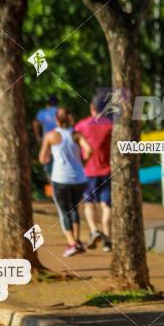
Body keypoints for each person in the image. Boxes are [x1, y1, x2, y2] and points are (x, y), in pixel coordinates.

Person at [39, 107, 92, 257]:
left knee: (64, 211)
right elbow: (89, 149)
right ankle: (77, 240)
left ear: (56, 120)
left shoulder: (51, 136)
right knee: (74, 208)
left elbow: (43, 158)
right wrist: (83, 162)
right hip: (79, 178)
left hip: (60, 178)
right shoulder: (76, 135)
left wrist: (49, 157)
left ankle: (72, 243)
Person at [75, 94, 113, 251]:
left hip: (88, 171)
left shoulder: (81, 126)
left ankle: (93, 231)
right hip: (107, 170)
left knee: (89, 204)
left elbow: (73, 145)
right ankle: (107, 240)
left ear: (92, 107)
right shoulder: (111, 125)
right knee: (106, 206)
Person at [34, 96, 59, 181]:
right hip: (60, 141)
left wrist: (38, 136)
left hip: (47, 142)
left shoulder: (43, 112)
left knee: (46, 162)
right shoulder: (59, 111)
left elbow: (35, 123)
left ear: (47, 104)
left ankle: (51, 183)